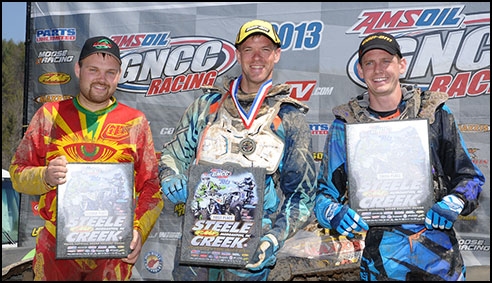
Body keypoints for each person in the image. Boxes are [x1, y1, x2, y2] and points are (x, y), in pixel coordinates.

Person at [314, 32, 485, 281]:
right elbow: (323, 196)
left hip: (439, 261)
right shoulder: (346, 124)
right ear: (360, 71)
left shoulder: (434, 113)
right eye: (369, 63)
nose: (378, 70)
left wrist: (455, 201)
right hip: (379, 263)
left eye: (386, 60)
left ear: (401, 65)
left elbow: (470, 179)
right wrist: (334, 213)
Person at [159, 19, 316, 280]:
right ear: (237, 54)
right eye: (248, 49)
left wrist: (273, 239)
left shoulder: (289, 118)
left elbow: (301, 196)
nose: (257, 57)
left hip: (252, 250)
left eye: (265, 49)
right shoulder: (205, 107)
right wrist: (170, 176)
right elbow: (173, 155)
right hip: (198, 245)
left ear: (276, 55)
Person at [9, 36, 164, 281]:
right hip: (55, 250)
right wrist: (44, 176)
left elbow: (152, 188)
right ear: (78, 69)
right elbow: (17, 173)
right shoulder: (48, 115)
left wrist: (138, 231)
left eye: (110, 72)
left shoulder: (136, 122)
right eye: (93, 70)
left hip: (112, 253)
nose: (102, 79)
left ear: (119, 75)